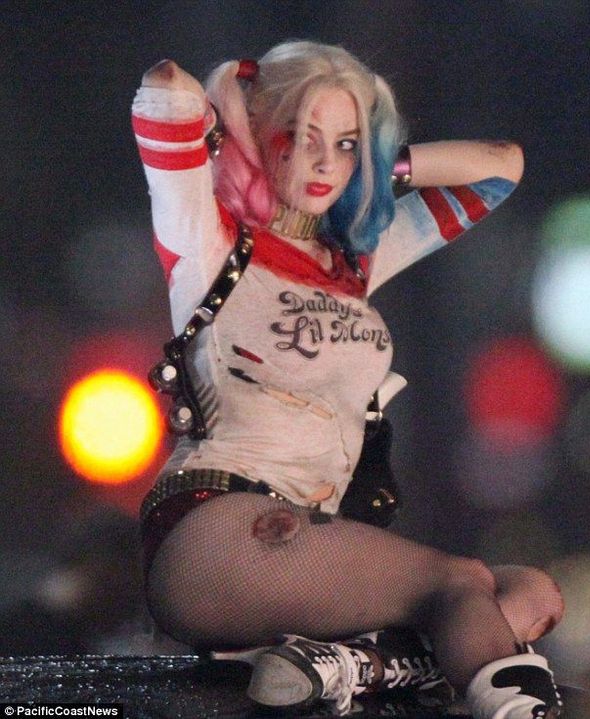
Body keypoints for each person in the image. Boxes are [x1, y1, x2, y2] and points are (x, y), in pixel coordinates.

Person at [132, 41, 565, 718]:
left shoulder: (354, 262)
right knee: (454, 586)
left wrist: (380, 164)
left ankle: (352, 664)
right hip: (213, 532)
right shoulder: (209, 243)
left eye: (345, 145)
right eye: (302, 138)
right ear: (259, 132)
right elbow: (166, 91)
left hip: (316, 545)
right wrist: (235, 106)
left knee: (529, 591)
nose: (325, 164)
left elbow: (500, 168)